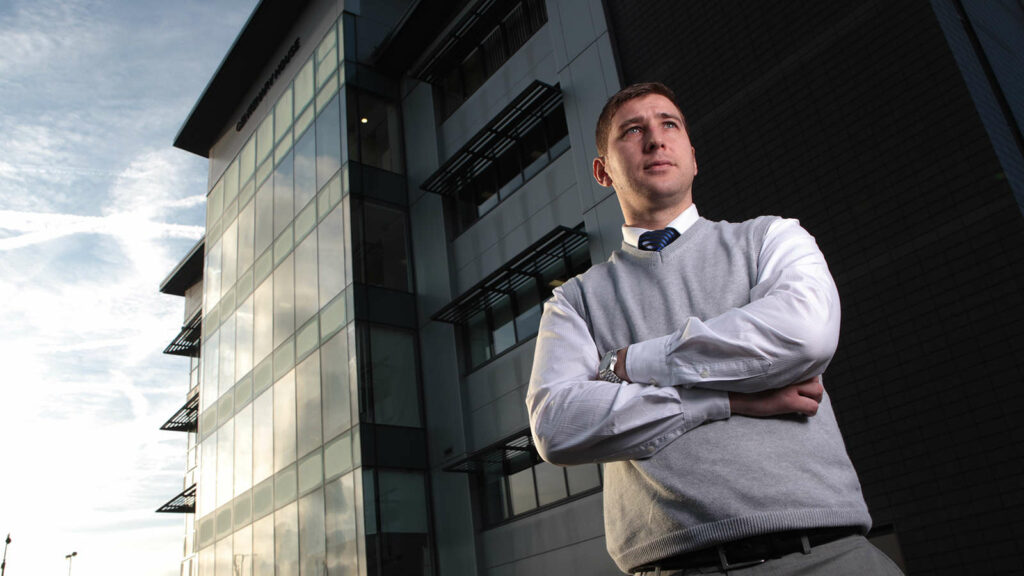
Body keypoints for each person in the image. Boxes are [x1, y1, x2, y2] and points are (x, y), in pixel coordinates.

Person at [525, 82, 903, 575]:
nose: (655, 139)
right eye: (632, 130)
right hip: (677, 566)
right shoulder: (574, 301)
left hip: (830, 554)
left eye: (669, 125)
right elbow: (557, 426)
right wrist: (724, 399)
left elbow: (804, 335)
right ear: (603, 171)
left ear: (693, 156)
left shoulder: (771, 238)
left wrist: (630, 363)